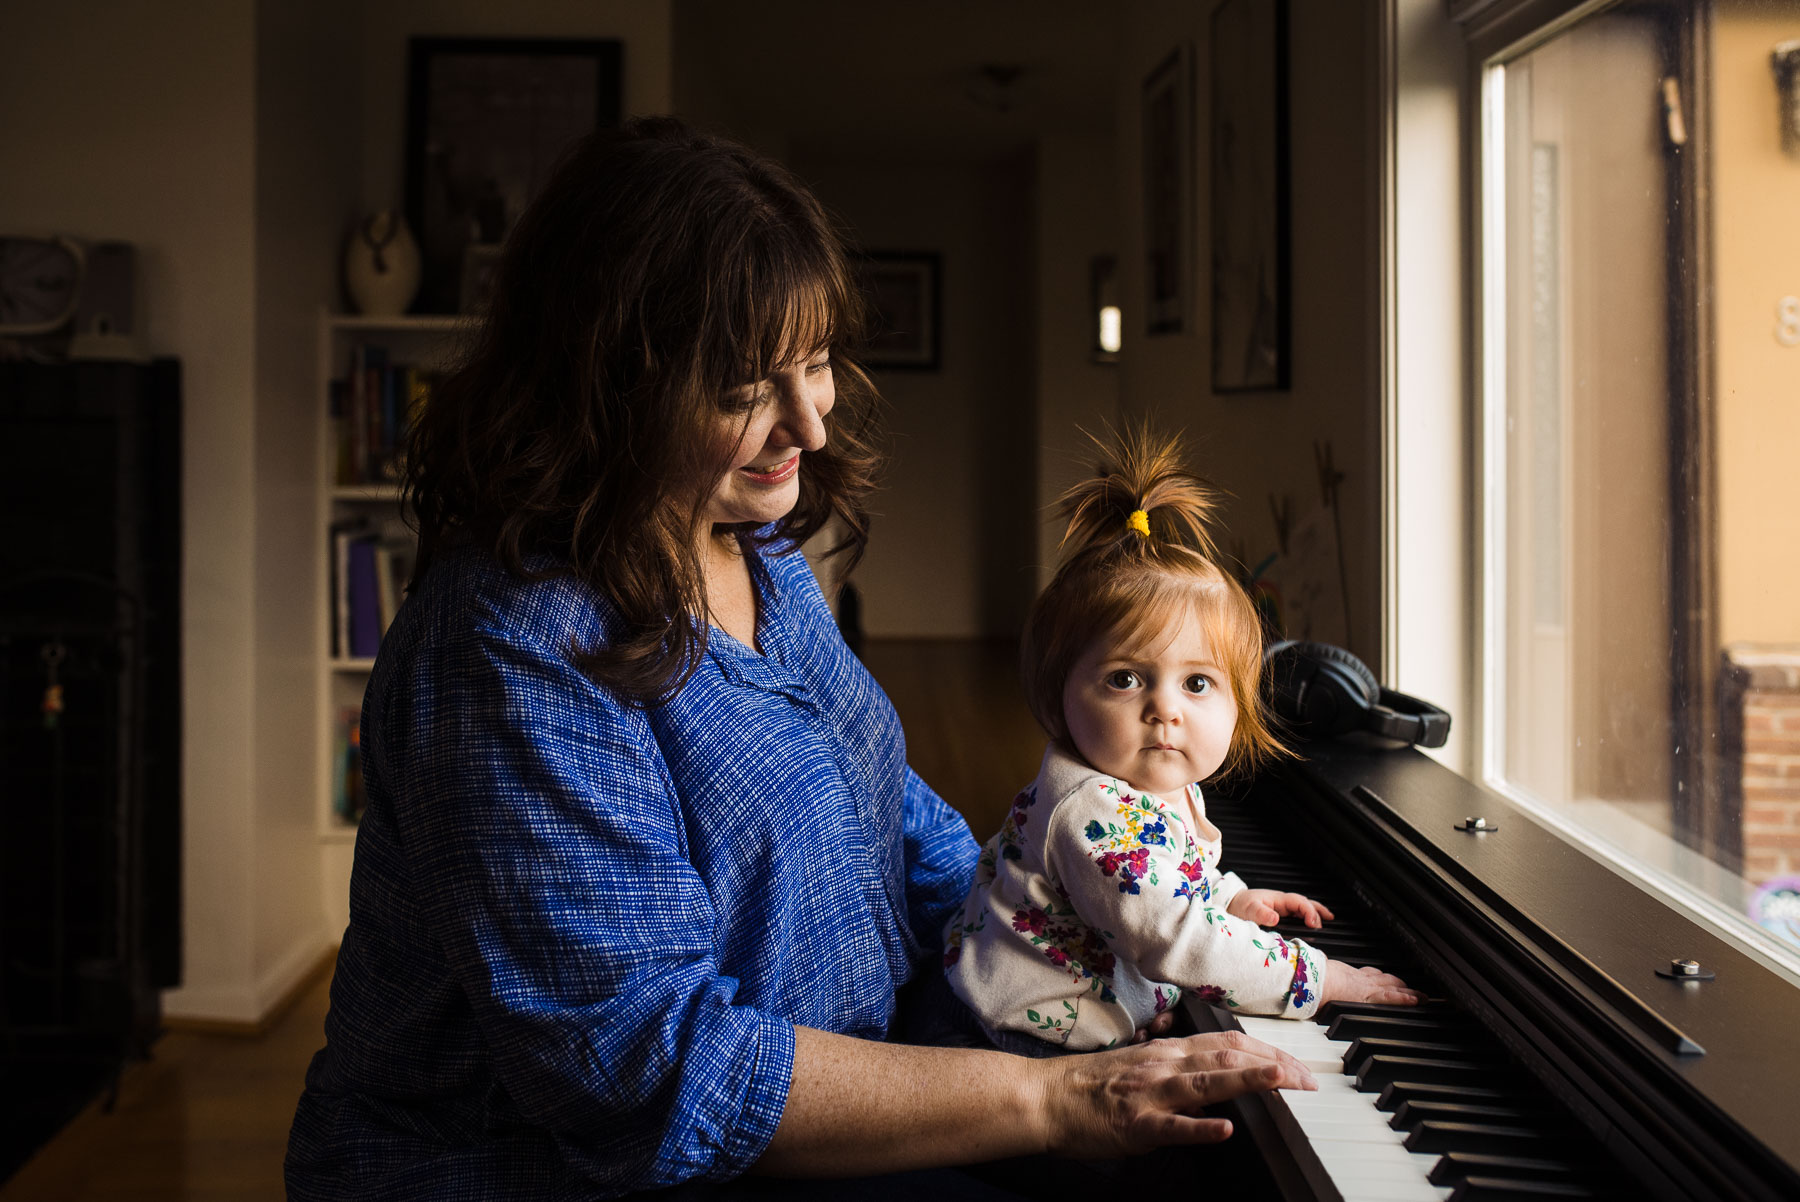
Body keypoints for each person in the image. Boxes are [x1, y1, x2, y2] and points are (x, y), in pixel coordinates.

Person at [285, 118, 1318, 1201]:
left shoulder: (753, 547)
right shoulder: (509, 647)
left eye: (816, 362)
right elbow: (652, 1068)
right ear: (608, 382)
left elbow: (886, 810)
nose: (808, 425)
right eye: (743, 387)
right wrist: (1056, 1101)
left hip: (849, 1096)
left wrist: (1096, 891)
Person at [944, 427, 1421, 1055]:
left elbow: (1167, 876)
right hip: (1029, 1041)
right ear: (1059, 692)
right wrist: (1315, 977)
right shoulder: (1093, 812)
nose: (1164, 708)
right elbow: (1175, 935)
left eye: (1197, 681)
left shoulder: (1149, 780)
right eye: (1124, 679)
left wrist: (1230, 896)